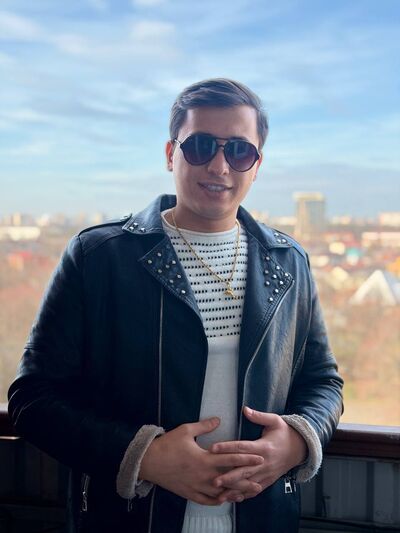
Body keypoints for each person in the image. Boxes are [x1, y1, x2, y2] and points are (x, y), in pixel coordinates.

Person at [8, 78, 343, 533]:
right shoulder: (99, 258)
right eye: (200, 146)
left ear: (257, 165)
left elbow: (323, 382)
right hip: (128, 520)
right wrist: (144, 456)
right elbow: (32, 400)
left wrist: (297, 442)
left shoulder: (288, 262)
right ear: (171, 154)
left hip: (262, 518)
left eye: (239, 151)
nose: (219, 166)